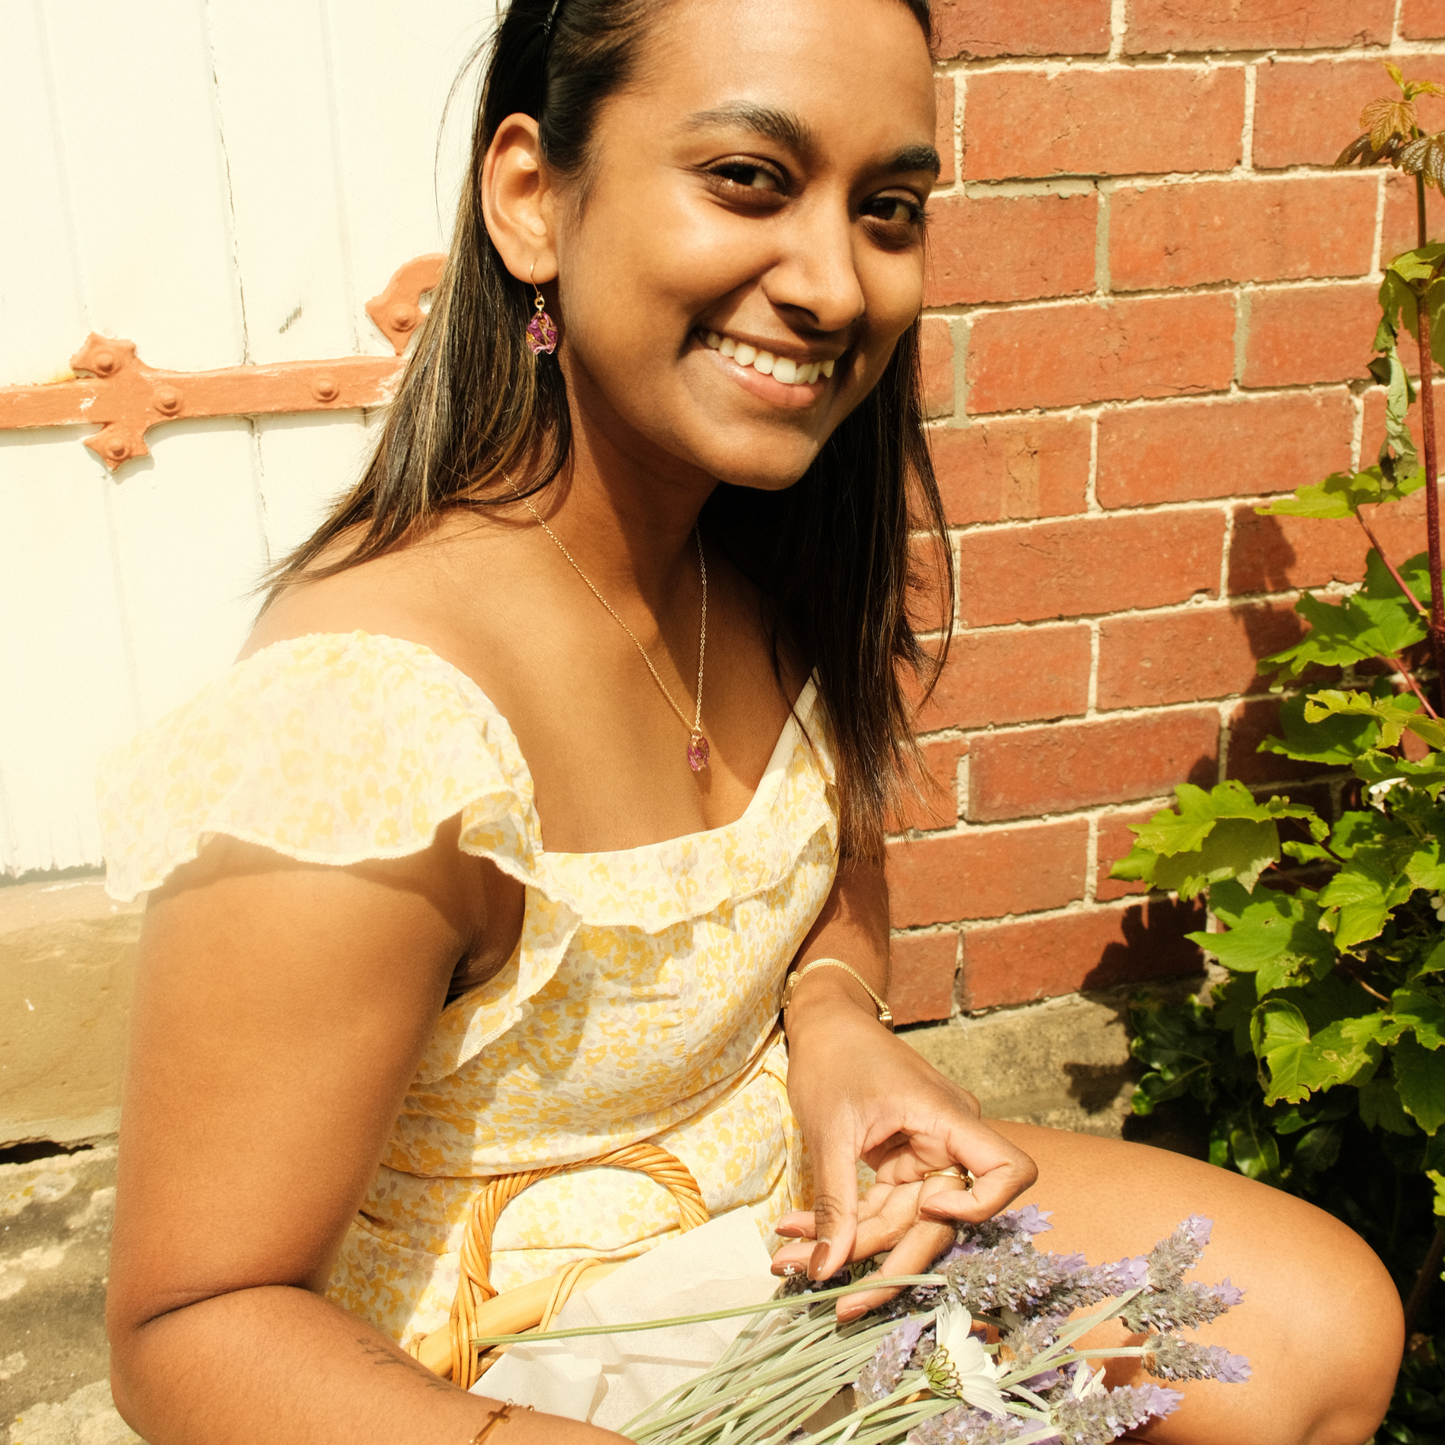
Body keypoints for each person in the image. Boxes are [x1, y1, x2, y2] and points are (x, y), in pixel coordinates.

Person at [99, 1, 1403, 1441]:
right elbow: (192, 1329)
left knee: (1320, 1328)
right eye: (748, 180)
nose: (837, 283)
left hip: (776, 1215)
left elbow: (827, 872)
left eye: (890, 208)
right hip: (487, 1363)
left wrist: (837, 1016)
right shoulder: (367, 718)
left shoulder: (749, 565)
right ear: (533, 198)